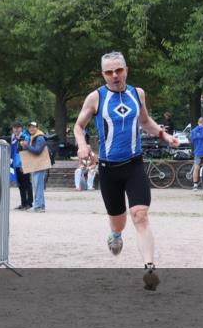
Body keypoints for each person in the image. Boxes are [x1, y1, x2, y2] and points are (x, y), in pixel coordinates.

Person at [73, 51, 180, 291]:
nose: (114, 76)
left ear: (126, 70)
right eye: (109, 72)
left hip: (134, 165)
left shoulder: (137, 94)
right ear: (103, 75)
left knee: (140, 215)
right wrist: (82, 145)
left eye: (118, 70)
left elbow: (145, 121)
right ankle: (115, 235)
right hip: (109, 169)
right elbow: (79, 126)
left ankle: (149, 267)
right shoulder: (96, 97)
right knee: (119, 223)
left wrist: (164, 135)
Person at [20, 121, 51, 212]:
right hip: (36, 166)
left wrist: (26, 146)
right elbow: (31, 152)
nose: (31, 128)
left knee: (38, 187)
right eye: (30, 127)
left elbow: (37, 151)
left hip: (39, 166)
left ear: (37, 128)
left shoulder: (40, 138)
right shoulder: (33, 137)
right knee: (37, 187)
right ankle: (40, 206)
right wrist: (25, 147)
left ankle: (38, 206)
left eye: (33, 127)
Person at [10, 121, 32, 209]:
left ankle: (29, 203)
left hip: (24, 163)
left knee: (27, 184)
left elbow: (26, 151)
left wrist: (23, 164)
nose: (16, 129)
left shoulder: (25, 137)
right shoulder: (13, 137)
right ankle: (23, 203)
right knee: (20, 185)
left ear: (21, 128)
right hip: (16, 164)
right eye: (14, 128)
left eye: (18, 127)